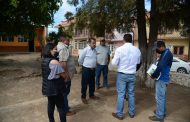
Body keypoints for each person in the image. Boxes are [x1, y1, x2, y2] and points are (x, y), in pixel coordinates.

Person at [111, 34, 141, 120]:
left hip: (122, 75)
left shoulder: (119, 49)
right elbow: (138, 62)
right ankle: (132, 113)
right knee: (131, 94)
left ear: (124, 40)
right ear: (131, 40)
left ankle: (120, 114)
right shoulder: (137, 50)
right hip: (132, 74)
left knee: (121, 94)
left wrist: (113, 57)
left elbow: (114, 63)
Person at [41, 43, 67, 122]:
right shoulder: (54, 62)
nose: (56, 51)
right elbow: (64, 76)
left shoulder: (44, 60)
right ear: (50, 50)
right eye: (55, 49)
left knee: (50, 106)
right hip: (56, 89)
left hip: (48, 88)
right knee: (61, 108)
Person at [149, 41, 173, 121]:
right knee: (162, 97)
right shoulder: (166, 53)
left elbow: (160, 67)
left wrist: (153, 75)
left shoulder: (166, 54)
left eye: (157, 48)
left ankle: (159, 116)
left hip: (162, 79)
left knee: (159, 97)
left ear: (162, 47)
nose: (157, 50)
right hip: (164, 78)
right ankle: (162, 112)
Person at [57, 35, 76, 116]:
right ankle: (65, 110)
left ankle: (62, 107)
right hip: (65, 76)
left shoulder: (61, 47)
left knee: (63, 93)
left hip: (64, 74)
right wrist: (66, 75)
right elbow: (63, 63)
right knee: (64, 93)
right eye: (68, 40)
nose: (69, 41)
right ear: (64, 41)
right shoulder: (63, 48)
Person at [78, 38, 99, 104]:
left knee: (92, 83)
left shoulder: (95, 50)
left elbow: (94, 59)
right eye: (93, 43)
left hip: (93, 69)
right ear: (89, 43)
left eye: (95, 43)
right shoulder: (85, 50)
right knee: (84, 84)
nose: (94, 44)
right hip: (86, 69)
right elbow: (80, 59)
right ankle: (83, 97)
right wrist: (84, 66)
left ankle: (91, 95)